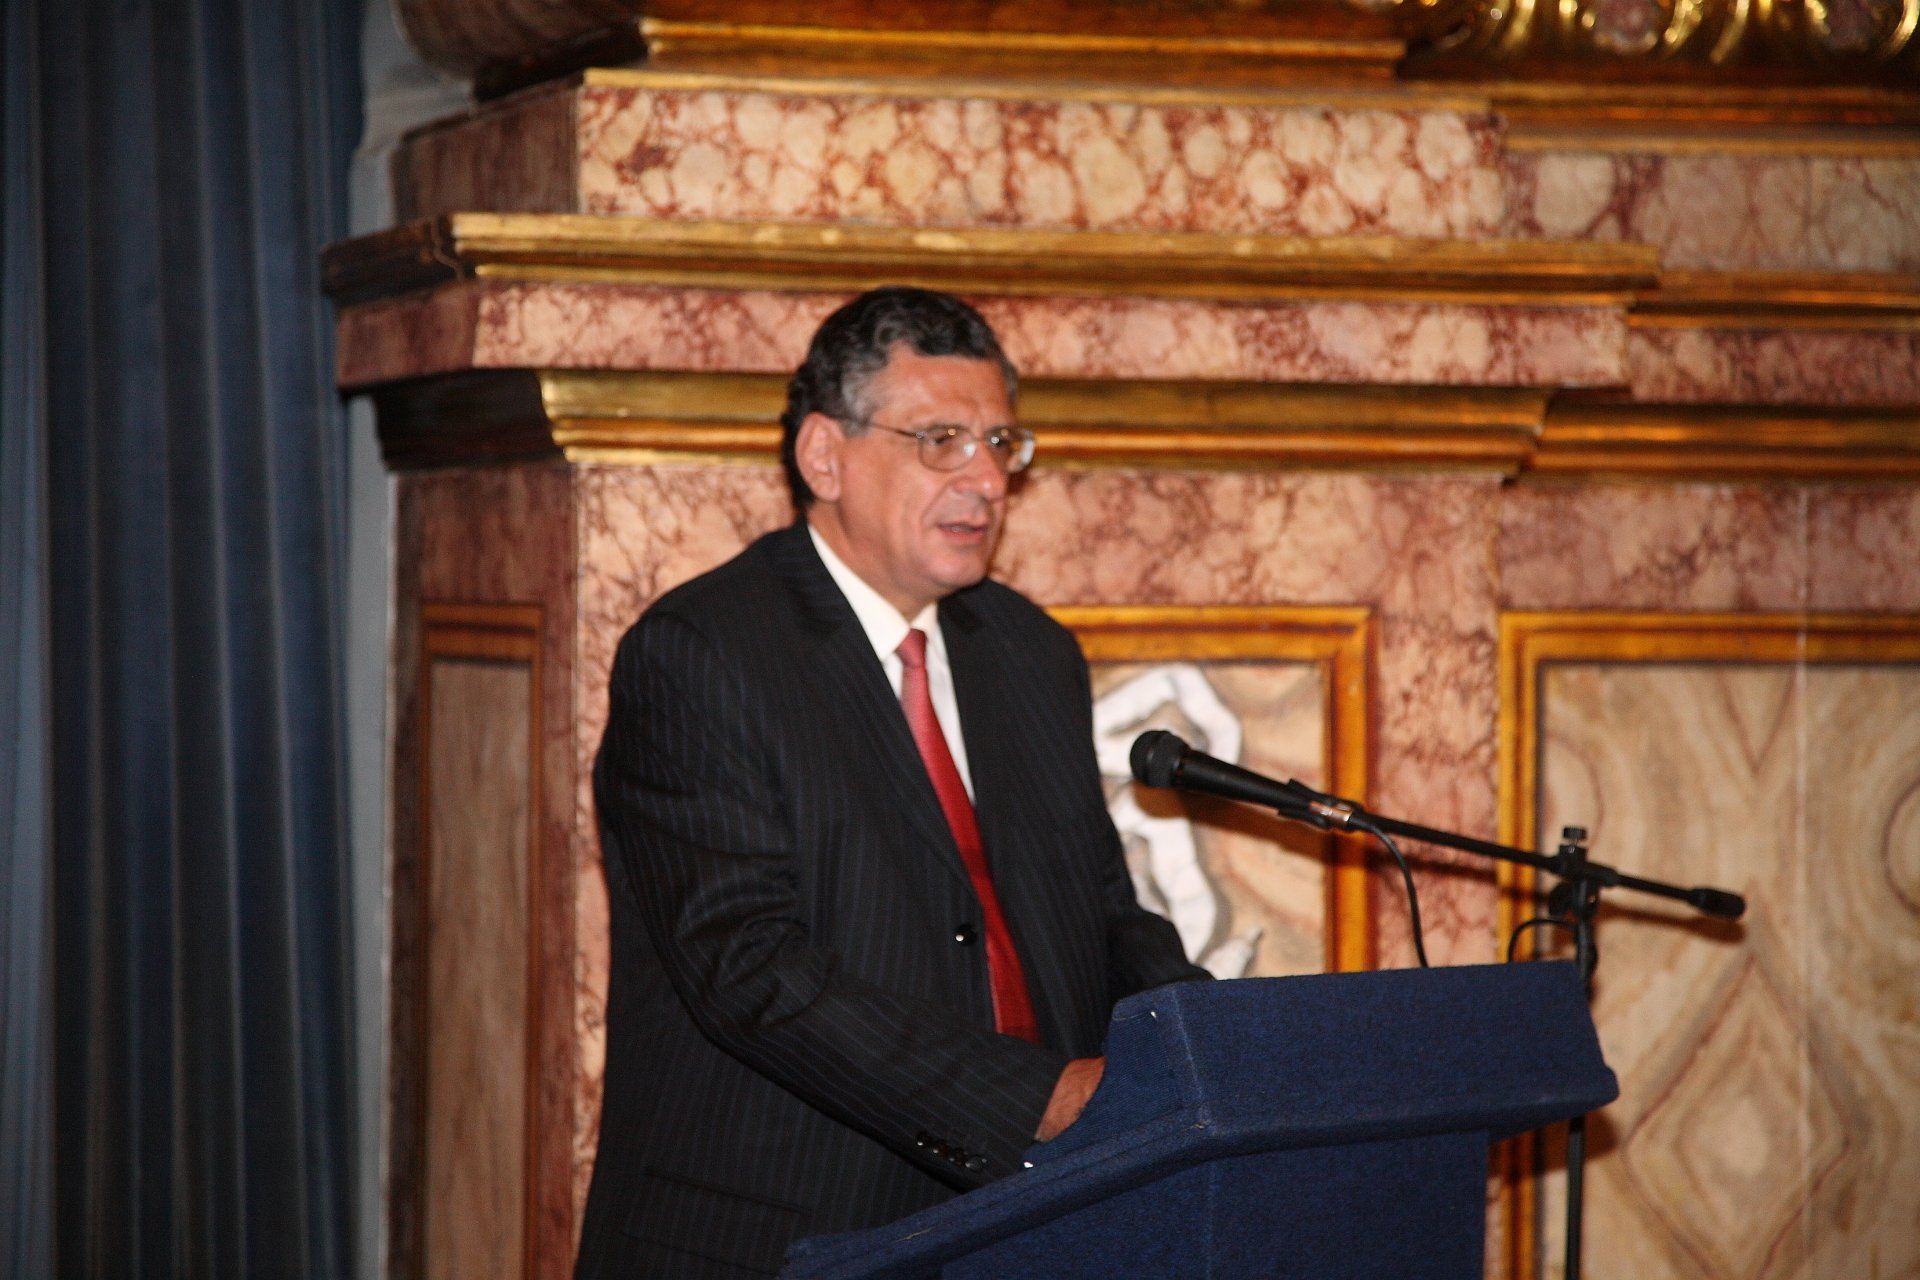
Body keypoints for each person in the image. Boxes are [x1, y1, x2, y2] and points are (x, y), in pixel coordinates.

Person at [575, 287, 1207, 1279]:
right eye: (941, 440)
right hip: (781, 1232)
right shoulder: (704, 652)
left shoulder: (1029, 651)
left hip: (1025, 1222)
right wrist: (1036, 1098)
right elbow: (749, 968)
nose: (986, 479)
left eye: (1000, 442)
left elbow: (1101, 912)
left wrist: (1217, 1051)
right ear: (824, 456)